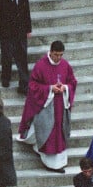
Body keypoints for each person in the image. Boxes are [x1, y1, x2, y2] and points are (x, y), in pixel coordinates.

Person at [18, 41, 77, 173]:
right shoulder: (40, 66)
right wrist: (50, 89)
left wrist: (65, 88)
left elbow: (72, 82)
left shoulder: (65, 65)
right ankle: (49, 162)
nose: (58, 58)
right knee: (49, 132)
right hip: (47, 106)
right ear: (50, 52)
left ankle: (59, 162)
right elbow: (33, 85)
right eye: (56, 55)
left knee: (59, 132)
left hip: (61, 105)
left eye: (61, 55)